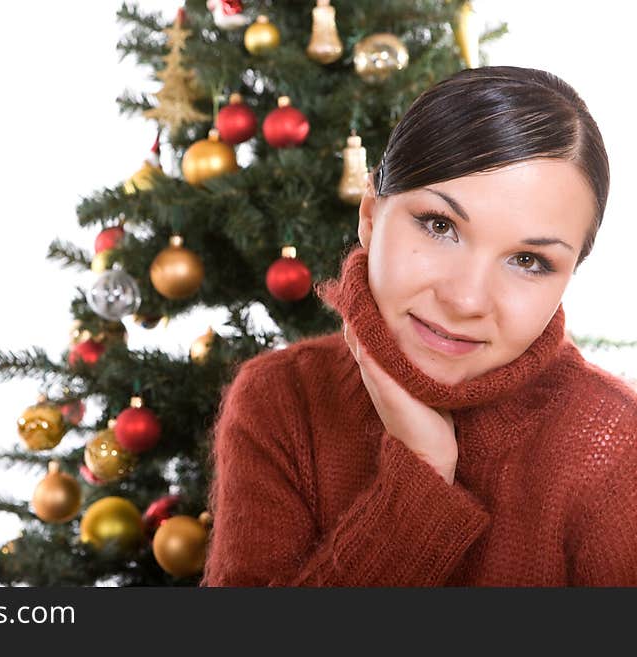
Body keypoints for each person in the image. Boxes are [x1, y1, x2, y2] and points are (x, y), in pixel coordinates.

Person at [200, 66, 637, 586]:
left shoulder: (616, 447)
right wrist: (422, 476)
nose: (465, 299)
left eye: (528, 261)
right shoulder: (282, 400)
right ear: (369, 214)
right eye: (439, 225)